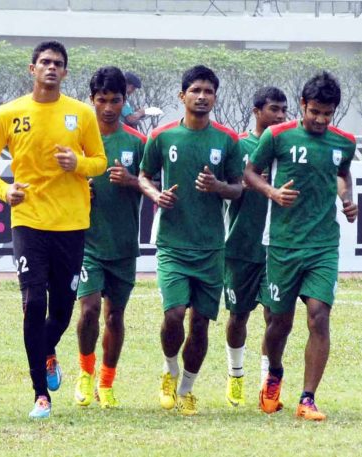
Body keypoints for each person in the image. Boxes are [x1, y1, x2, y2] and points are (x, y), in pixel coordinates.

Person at [0, 41, 106, 419]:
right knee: (34, 303)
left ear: (65, 73)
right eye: (45, 63)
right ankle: (40, 395)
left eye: (58, 64)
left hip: (71, 224)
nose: (51, 68)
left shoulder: (81, 114)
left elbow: (99, 162)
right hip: (29, 222)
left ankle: (47, 350)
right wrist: (4, 190)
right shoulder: (9, 113)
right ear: (32, 69)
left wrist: (77, 162)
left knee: (64, 311)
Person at [243, 71, 357, 421]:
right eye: (315, 112)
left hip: (323, 244)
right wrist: (272, 192)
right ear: (303, 105)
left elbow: (342, 174)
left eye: (328, 113)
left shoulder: (344, 142)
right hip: (283, 243)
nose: (321, 120)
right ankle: (273, 373)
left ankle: (307, 399)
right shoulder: (277, 136)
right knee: (279, 322)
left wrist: (348, 199)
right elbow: (250, 172)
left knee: (319, 316)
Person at [138, 65, 243, 416]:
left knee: (200, 323)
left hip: (212, 248)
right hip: (172, 244)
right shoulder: (162, 137)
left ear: (215, 97)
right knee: (174, 314)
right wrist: (155, 195)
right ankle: (169, 372)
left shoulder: (227, 140)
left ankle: (186, 390)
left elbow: (239, 186)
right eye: (195, 90)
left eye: (209, 91)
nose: (202, 96)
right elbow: (143, 176)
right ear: (182, 96)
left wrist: (218, 188)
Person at [73, 66, 146, 409]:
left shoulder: (138, 143)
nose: (107, 107)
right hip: (87, 243)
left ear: (124, 100)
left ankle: (107, 381)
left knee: (115, 317)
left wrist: (132, 181)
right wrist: (77, 187)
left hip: (124, 244)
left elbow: (155, 187)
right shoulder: (78, 139)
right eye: (101, 100)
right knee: (88, 311)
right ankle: (85, 375)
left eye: (115, 100)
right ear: (92, 100)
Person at [223, 86, 287, 407]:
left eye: (284, 111)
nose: (280, 116)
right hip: (241, 246)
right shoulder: (239, 146)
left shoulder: (286, 148)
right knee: (238, 317)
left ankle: (267, 384)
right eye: (274, 109)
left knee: (275, 315)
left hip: (276, 248)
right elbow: (229, 186)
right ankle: (236, 376)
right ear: (256, 111)